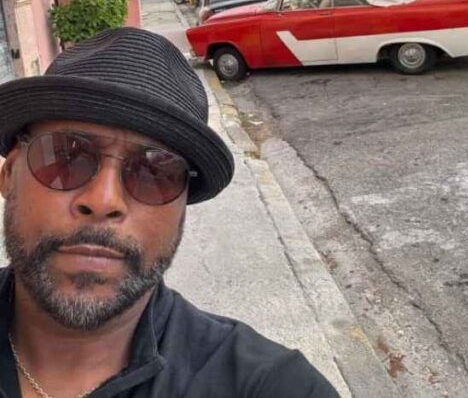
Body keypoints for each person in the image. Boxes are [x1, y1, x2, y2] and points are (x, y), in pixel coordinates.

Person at [0, 28, 341, 396]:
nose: (103, 200)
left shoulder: (268, 386)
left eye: (154, 172)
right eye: (66, 156)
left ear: (182, 208)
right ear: (8, 174)